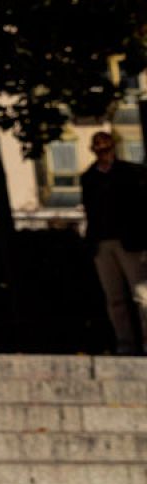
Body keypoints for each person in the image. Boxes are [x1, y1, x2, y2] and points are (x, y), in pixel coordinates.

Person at [81, 131, 147, 355]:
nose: (103, 152)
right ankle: (125, 344)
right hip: (102, 242)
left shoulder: (131, 173)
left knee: (142, 294)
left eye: (106, 147)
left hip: (129, 242)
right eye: (98, 147)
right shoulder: (89, 178)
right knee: (114, 299)